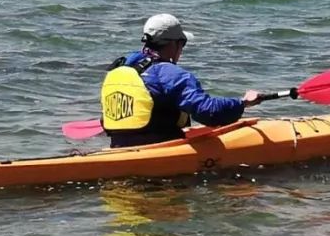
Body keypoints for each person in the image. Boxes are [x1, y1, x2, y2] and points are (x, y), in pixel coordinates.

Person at [100, 13, 262, 148]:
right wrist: (243, 103)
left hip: (119, 147)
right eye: (182, 43)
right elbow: (209, 112)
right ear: (173, 44)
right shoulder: (170, 74)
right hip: (159, 149)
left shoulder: (121, 67)